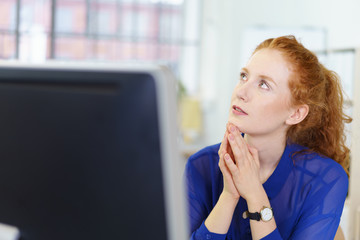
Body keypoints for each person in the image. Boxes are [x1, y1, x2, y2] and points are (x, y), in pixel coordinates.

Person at [185, 35, 352, 240]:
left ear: (295, 114)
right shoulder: (200, 165)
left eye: (264, 85)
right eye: (244, 76)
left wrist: (255, 194)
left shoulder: (325, 179)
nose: (241, 91)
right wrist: (229, 196)